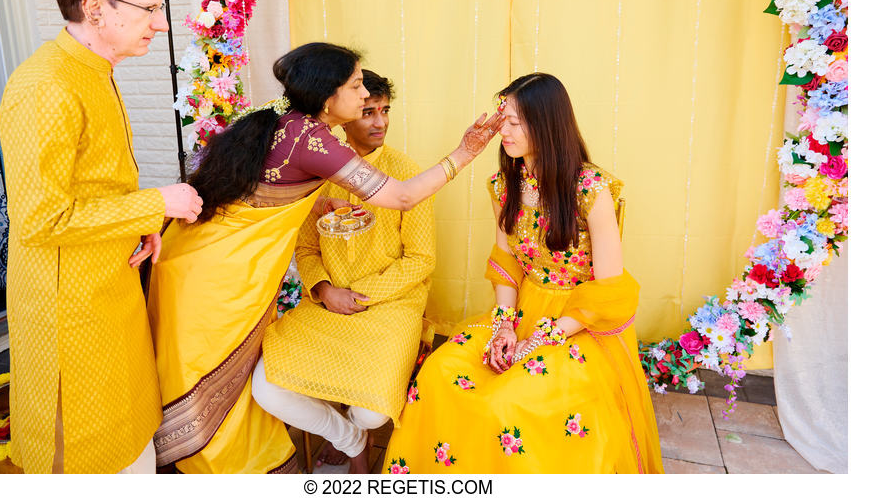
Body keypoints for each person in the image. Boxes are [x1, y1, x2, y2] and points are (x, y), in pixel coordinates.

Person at [147, 43, 502, 473]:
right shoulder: (314, 141)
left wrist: (317, 209)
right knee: (218, 375)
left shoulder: (289, 122)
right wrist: (464, 153)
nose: (363, 97)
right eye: (355, 87)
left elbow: (262, 195)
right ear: (329, 96)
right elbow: (404, 197)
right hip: (221, 272)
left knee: (214, 373)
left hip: (202, 258)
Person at [382, 73, 664, 474]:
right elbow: (505, 263)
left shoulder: (589, 188)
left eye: (516, 122)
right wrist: (504, 327)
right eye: (503, 120)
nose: (504, 131)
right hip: (521, 308)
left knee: (508, 404)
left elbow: (609, 291)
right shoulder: (503, 185)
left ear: (547, 124)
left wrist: (538, 341)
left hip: (580, 323)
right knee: (440, 373)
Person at [0, 0, 203, 474]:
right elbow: (41, 219)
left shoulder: (92, 70)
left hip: (109, 284)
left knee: (133, 440)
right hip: (70, 310)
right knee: (95, 458)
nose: (159, 24)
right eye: (148, 9)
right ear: (95, 9)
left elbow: (92, 189)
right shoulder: (47, 86)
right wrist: (158, 202)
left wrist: (141, 221)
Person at [253, 70, 436, 474]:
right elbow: (305, 246)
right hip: (325, 304)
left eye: (385, 111)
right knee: (267, 390)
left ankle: (358, 428)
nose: (380, 122)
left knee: (372, 412)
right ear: (340, 113)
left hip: (390, 305)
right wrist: (322, 288)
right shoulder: (315, 170)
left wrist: (357, 293)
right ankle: (349, 439)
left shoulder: (408, 173)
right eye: (369, 111)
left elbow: (421, 260)